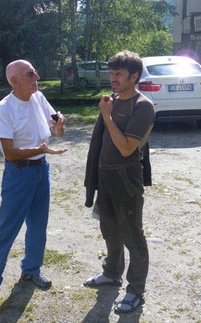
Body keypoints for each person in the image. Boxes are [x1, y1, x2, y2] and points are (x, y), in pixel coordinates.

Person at [0, 59, 68, 304]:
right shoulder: (4, 108)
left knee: (39, 225)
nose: (37, 77)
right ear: (14, 80)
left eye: (36, 72)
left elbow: (57, 130)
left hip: (41, 170)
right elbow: (9, 152)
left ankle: (32, 270)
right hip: (19, 173)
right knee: (6, 229)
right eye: (31, 74)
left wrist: (60, 126)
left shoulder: (38, 98)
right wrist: (41, 149)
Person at [83, 50, 155, 313]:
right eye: (111, 73)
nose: (112, 78)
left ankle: (136, 290)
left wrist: (107, 116)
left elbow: (126, 148)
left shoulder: (143, 106)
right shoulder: (112, 100)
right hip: (105, 176)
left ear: (133, 76)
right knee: (109, 229)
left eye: (118, 74)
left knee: (132, 236)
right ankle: (111, 273)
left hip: (126, 177)